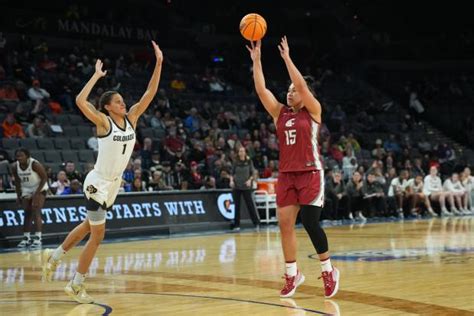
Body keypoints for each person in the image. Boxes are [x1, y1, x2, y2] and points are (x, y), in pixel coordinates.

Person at [41, 41, 163, 304]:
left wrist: (160, 63)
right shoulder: (103, 121)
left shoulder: (132, 118)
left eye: (122, 101)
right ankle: (76, 285)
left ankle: (54, 257)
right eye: (118, 101)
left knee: (88, 227)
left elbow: (150, 93)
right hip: (97, 183)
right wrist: (96, 76)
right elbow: (79, 100)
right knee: (98, 236)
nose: (123, 103)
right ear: (108, 106)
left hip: (113, 185)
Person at [246, 37, 339, 298]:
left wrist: (287, 58)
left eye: (294, 90)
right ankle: (292, 274)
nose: (290, 92)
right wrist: (257, 61)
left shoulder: (314, 110)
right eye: (288, 89)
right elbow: (262, 90)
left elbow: (301, 85)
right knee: (285, 224)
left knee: (310, 221)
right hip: (287, 175)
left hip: (310, 172)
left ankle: (328, 270)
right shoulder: (280, 113)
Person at [11, 148, 48, 249]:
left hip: (39, 187)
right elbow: (18, 182)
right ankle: (26, 238)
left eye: (21, 155)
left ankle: (38, 238)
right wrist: (18, 195)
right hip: (26, 188)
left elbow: (44, 178)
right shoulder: (15, 166)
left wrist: (36, 194)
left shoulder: (34, 164)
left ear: (27, 156)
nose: (19, 158)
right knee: (27, 212)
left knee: (36, 210)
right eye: (17, 156)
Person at [230, 147, 260, 231]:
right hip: (237, 186)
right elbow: (232, 173)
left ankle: (256, 223)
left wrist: (250, 180)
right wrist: (231, 181)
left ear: (245, 153)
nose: (241, 152)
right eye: (240, 151)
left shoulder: (249, 162)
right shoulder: (235, 162)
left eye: (243, 151)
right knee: (237, 206)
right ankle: (237, 225)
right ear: (238, 153)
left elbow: (253, 173)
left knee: (250, 205)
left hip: (246, 186)